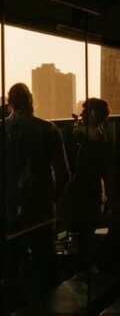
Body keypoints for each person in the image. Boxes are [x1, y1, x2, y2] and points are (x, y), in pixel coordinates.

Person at [4, 83, 70, 298]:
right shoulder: (48, 129)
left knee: (11, 262)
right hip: (40, 208)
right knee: (45, 259)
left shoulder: (3, 129)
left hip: (8, 208)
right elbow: (63, 174)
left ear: (9, 103)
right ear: (31, 101)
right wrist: (54, 201)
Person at [66, 97, 112, 258]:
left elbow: (80, 133)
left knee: (86, 228)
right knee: (87, 228)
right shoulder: (99, 135)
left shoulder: (97, 134)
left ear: (92, 114)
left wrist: (77, 124)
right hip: (91, 189)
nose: (82, 113)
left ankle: (86, 262)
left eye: (85, 111)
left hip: (90, 190)